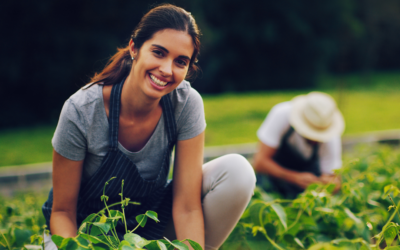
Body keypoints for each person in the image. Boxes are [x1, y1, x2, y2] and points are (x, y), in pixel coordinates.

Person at [42, 4, 256, 250]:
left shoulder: (185, 104)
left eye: (180, 61)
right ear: (134, 48)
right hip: (85, 234)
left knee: (237, 171)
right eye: (159, 53)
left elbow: (187, 207)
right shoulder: (82, 110)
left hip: (147, 231)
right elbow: (62, 212)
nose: (166, 70)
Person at [253, 91, 344, 199]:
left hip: (304, 188)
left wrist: (329, 184)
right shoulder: (282, 115)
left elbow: (334, 178)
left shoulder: (331, 136)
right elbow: (259, 162)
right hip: (274, 177)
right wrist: (294, 178)